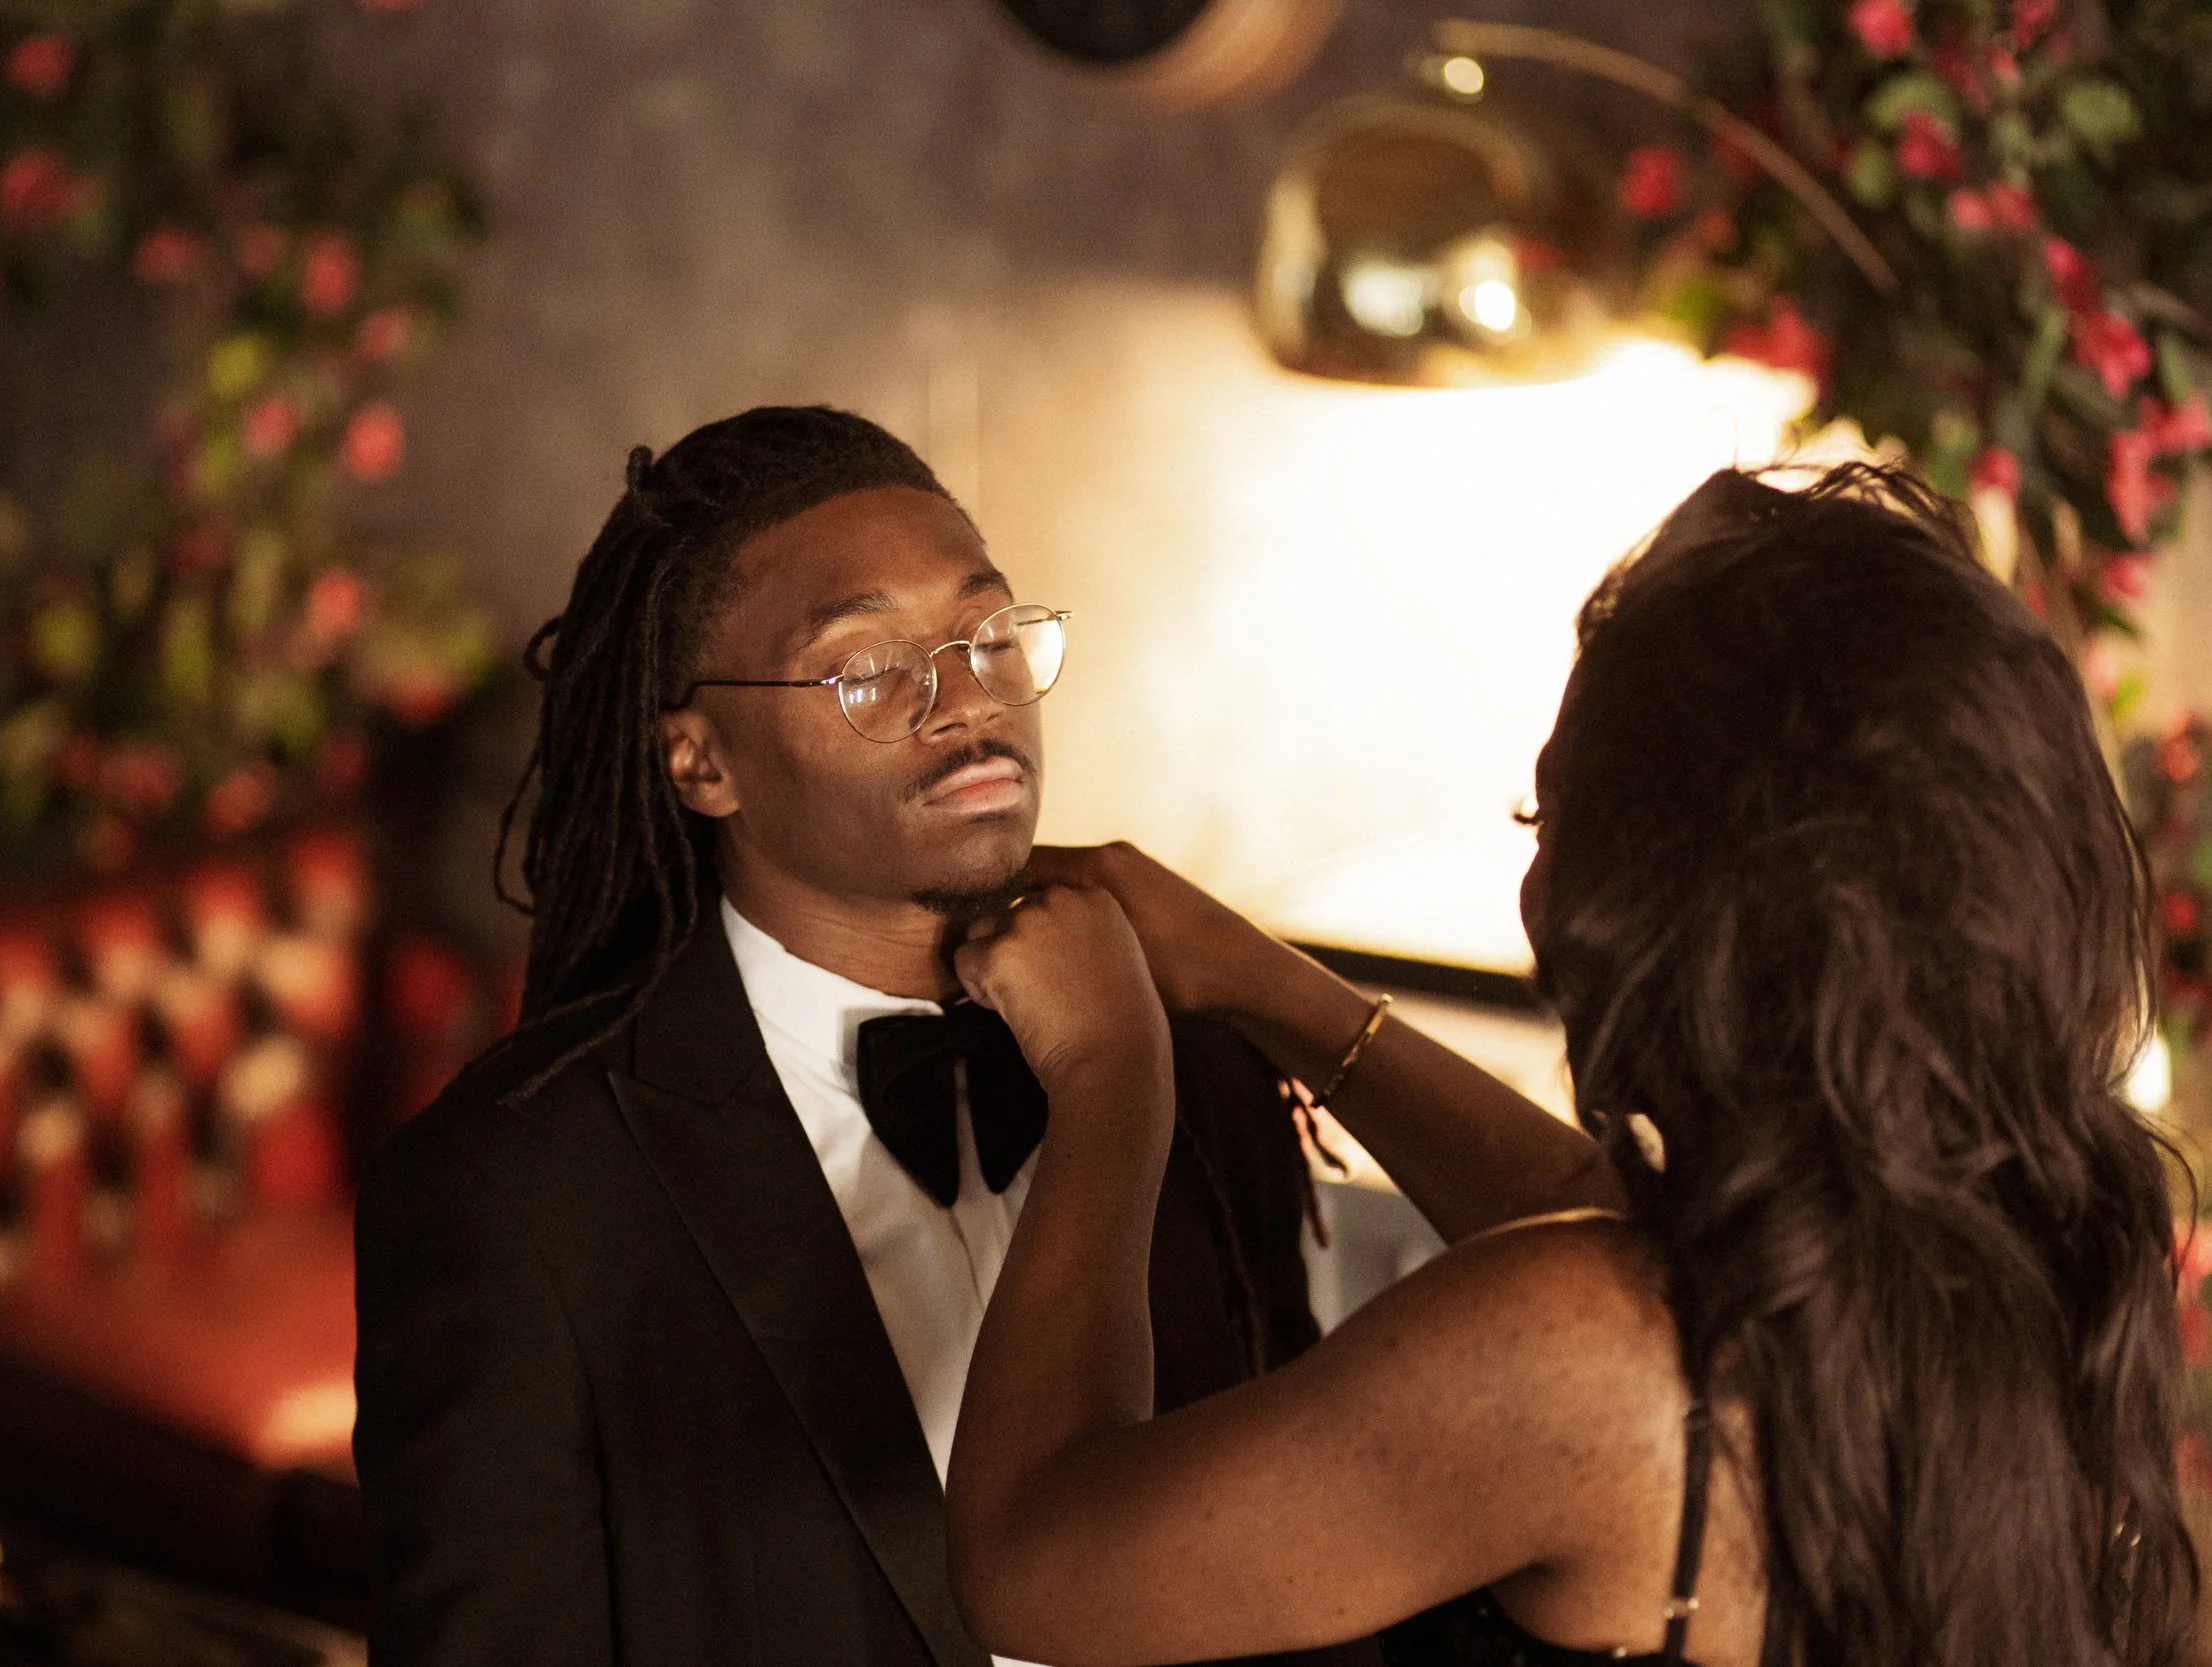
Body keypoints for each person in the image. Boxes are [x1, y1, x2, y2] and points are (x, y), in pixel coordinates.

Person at [941, 465, 2198, 1667]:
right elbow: (1609, 1224)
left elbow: (1027, 1558)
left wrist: (1110, 1068)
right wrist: (1262, 983)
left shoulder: (1591, 1356)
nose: (1539, 895)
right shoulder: (2041, 1244)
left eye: (1553, 823)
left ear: (1680, 908)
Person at [352, 407, 1476, 1665]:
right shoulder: (516, 1194)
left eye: (988, 634)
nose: (968, 699)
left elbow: (1302, 1577)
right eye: (868, 667)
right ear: (700, 761)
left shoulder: (1194, 1061)